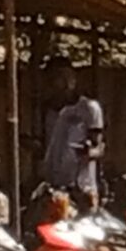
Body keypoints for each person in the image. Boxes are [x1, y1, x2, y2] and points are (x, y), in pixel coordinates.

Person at [40, 62, 104, 206]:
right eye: (58, 78)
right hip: (54, 187)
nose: (65, 83)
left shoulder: (88, 108)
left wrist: (87, 152)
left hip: (81, 188)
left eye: (68, 77)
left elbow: (99, 148)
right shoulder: (48, 111)